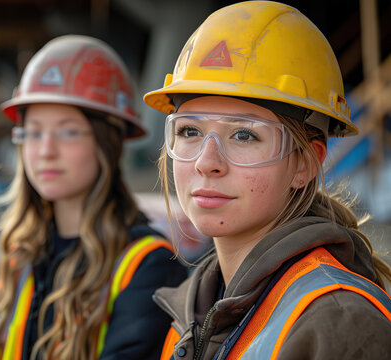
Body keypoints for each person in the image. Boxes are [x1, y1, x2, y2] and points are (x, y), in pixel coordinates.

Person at [143, 1, 391, 359]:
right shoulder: (194, 307)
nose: (206, 162)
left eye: (244, 135)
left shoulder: (339, 323)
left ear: (305, 163)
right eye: (190, 130)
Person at [0, 35, 187, 360]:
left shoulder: (147, 268)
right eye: (34, 132)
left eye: (67, 131)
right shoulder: (18, 252)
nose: (45, 151)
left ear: (107, 143)